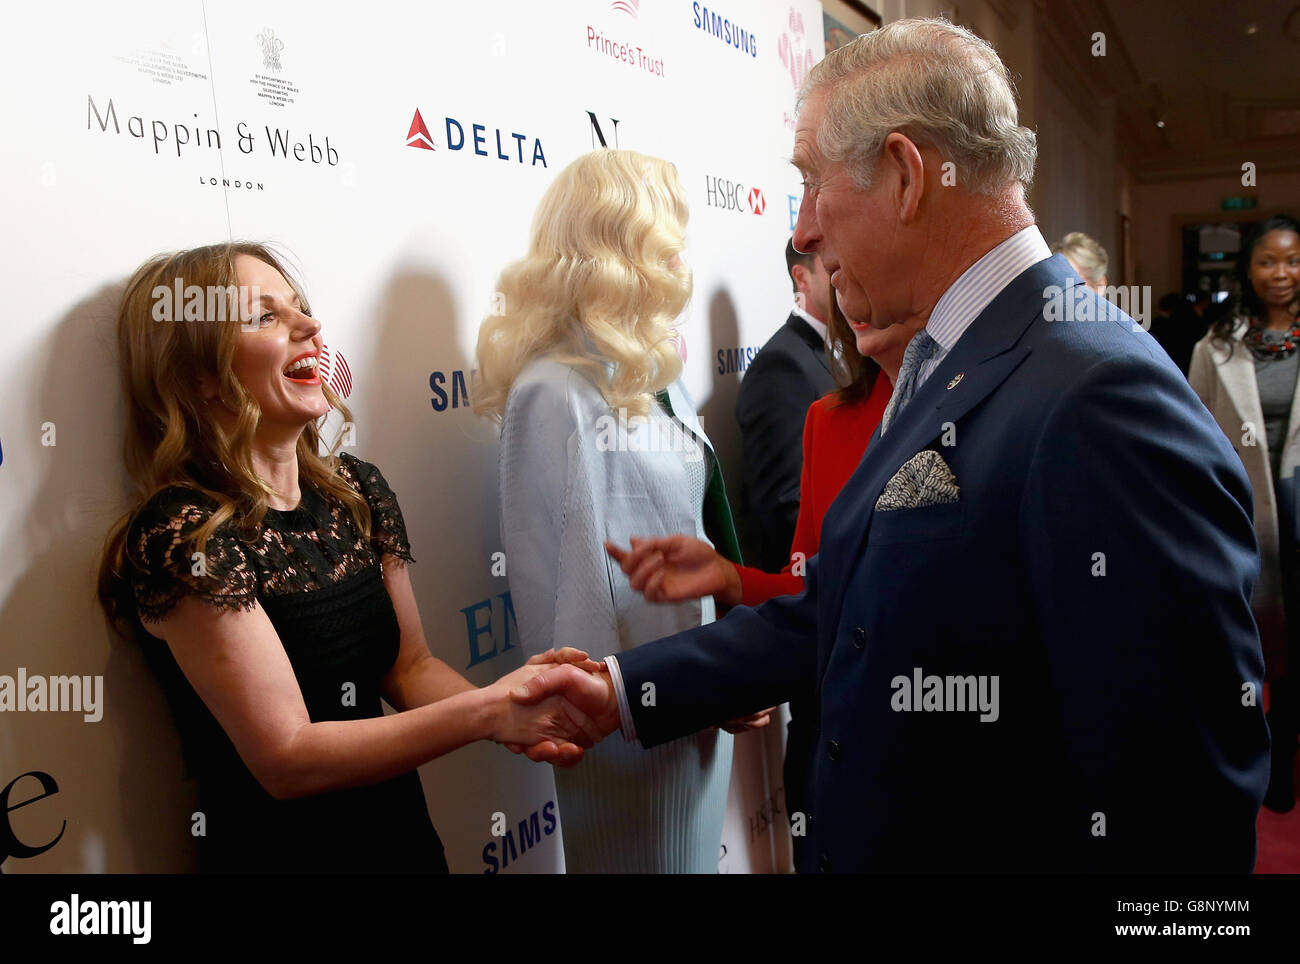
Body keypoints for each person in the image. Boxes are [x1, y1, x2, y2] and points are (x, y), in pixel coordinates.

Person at [514, 17, 1271, 873]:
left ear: (907, 177)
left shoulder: (1098, 396)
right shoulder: (943, 358)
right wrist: (621, 689)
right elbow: (843, 613)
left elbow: (1181, 802)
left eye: (810, 184)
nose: (801, 231)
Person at [96, 242, 594, 874]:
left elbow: (409, 668)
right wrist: (488, 710)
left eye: (302, 308)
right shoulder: (183, 533)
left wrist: (518, 706)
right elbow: (288, 757)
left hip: (404, 845)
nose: (310, 327)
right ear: (197, 375)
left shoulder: (355, 491)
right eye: (265, 317)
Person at [474, 149, 742, 873]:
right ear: (621, 239)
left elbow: (698, 531)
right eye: (667, 231)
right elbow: (554, 593)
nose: (681, 251)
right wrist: (602, 714)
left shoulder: (655, 376)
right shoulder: (551, 390)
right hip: (624, 729)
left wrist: (730, 670)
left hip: (693, 700)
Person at [609, 282, 919, 862]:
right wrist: (731, 579)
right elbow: (813, 596)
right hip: (834, 752)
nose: (843, 277)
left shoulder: (985, 406)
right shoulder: (827, 420)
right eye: (832, 265)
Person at [1189, 214, 1300, 812]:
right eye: (1267, 261)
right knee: (1259, 641)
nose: (1280, 273)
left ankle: (1284, 758)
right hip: (1249, 516)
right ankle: (1259, 763)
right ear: (1248, 269)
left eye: (1292, 260)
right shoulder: (1218, 344)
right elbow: (1192, 429)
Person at [735, 241, 838, 572]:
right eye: (832, 266)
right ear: (802, 278)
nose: (845, 272)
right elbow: (786, 511)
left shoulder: (853, 351)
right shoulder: (781, 366)